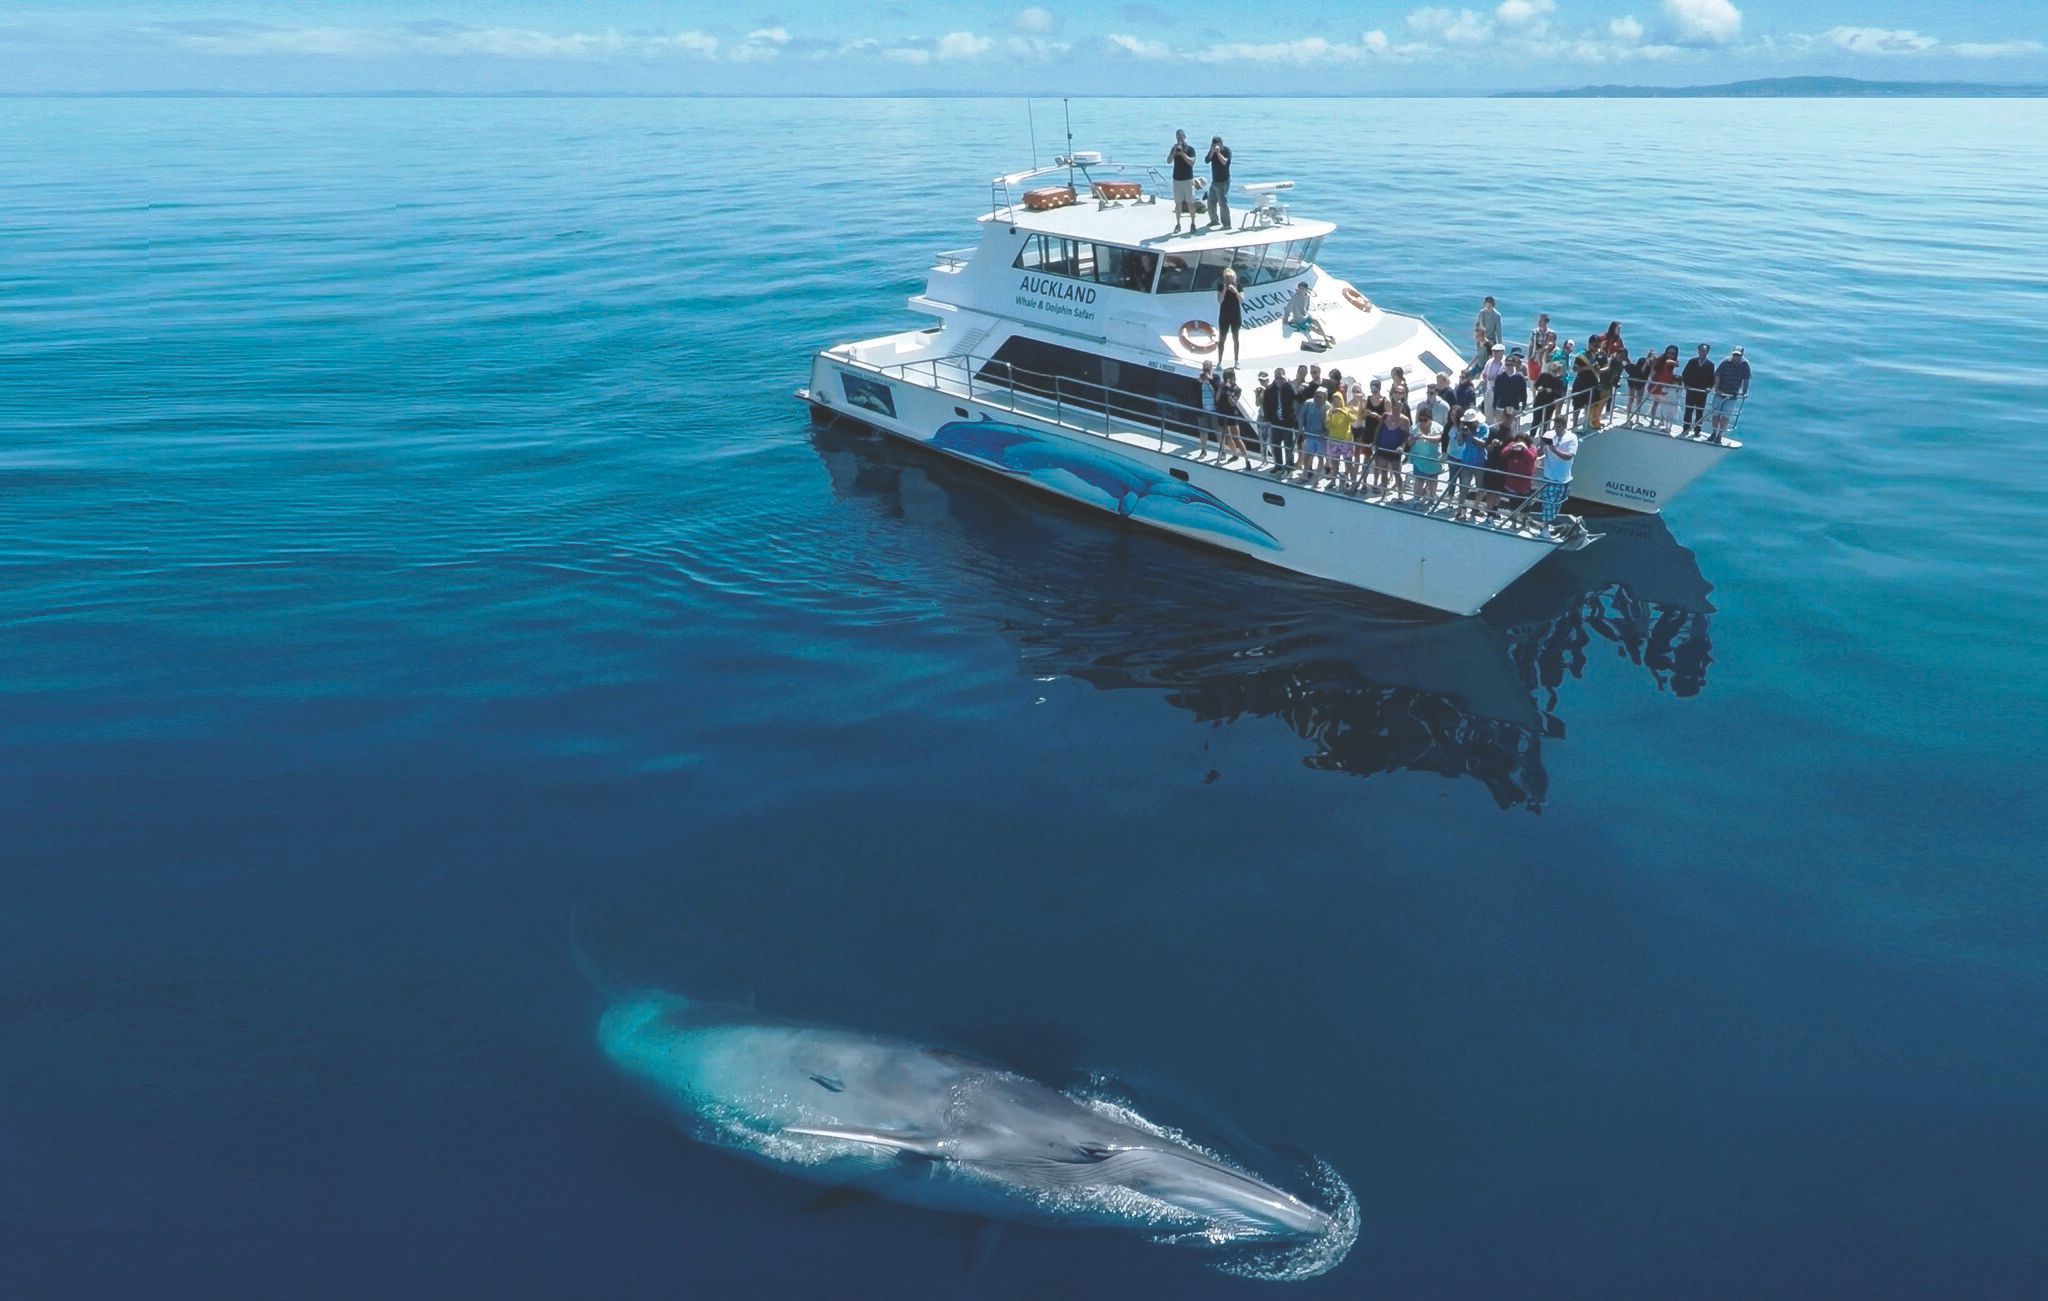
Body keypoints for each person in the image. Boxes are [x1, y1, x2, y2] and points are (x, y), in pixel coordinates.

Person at [1538, 417, 1578, 532]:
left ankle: (1547, 524)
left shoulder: (1572, 438)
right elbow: (1539, 452)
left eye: (1559, 427)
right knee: (1548, 503)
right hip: (1550, 476)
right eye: (1555, 426)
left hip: (1564, 477)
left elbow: (1569, 456)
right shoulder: (1549, 434)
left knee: (1557, 504)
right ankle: (1545, 528)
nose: (1556, 429)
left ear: (1565, 426)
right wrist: (1541, 444)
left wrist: (1554, 450)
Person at [1449, 409, 1488, 521]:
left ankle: (1476, 507)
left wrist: (1470, 435)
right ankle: (1460, 510)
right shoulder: (1464, 428)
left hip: (1480, 462)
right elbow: (1460, 443)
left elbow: (1482, 444)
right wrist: (1461, 432)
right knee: (1464, 487)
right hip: (1466, 461)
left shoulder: (1484, 428)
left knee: (1481, 487)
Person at [1259, 368, 1298, 469]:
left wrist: (1287, 384)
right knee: (1275, 445)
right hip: (1275, 422)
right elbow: (1266, 406)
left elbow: (1296, 399)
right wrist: (1268, 420)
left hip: (1287, 423)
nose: (1279, 380)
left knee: (1288, 446)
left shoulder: (1289, 388)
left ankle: (1289, 467)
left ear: (1285, 377)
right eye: (1277, 378)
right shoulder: (1269, 390)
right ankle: (1278, 465)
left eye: (1281, 378)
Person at [1408, 404, 1445, 506]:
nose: (1422, 422)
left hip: (1433, 459)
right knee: (1419, 480)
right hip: (1419, 459)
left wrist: (1425, 437)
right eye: (1421, 419)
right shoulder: (1414, 428)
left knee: (1433, 480)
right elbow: (1409, 443)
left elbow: (1439, 439)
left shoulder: (1437, 427)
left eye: (1425, 419)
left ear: (1430, 418)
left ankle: (1432, 499)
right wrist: (1413, 439)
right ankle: (1416, 500)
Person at [1711, 345, 1751, 442]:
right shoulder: (1725, 362)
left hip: (1733, 394)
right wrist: (1717, 389)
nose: (1736, 357)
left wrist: (1744, 392)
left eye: (1738, 355)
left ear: (1742, 355)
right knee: (1716, 414)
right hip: (1721, 392)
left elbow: (1746, 379)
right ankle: (1714, 432)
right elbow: (1717, 375)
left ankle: (1720, 435)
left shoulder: (1745, 365)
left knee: (1726, 416)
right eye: (1734, 355)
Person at [1372, 401, 1410, 497]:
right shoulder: (1385, 416)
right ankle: (1383, 494)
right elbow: (1378, 430)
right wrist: (1374, 443)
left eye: (1398, 407)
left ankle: (1400, 494)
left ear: (1401, 407)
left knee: (1397, 473)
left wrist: (1402, 448)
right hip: (1383, 448)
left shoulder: (1405, 420)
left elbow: (1406, 437)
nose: (1396, 409)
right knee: (1383, 472)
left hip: (1395, 450)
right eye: (1394, 407)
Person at [1499, 425, 1539, 517]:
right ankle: (1513, 521)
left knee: (1525, 505)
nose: (1519, 443)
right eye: (1518, 441)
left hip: (1525, 483)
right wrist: (1512, 447)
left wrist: (1524, 449)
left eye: (1522, 441)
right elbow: (1503, 453)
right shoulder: (1513, 445)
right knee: (1513, 503)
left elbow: (1532, 457)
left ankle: (1524, 521)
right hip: (1512, 482)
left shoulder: (1531, 448)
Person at [1680, 344, 1717, 437]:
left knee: (1699, 412)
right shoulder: (1692, 361)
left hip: (1702, 392)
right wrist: (1686, 385)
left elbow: (1712, 379)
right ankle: (1685, 428)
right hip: (1691, 391)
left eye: (1704, 351)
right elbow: (1685, 373)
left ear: (1707, 352)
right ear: (1698, 351)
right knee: (1688, 411)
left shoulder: (1710, 364)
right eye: (1701, 350)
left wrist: (1709, 387)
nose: (1702, 352)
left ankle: (1697, 430)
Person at [1321, 389, 1356, 489]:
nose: (1336, 402)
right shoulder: (1330, 412)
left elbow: (1353, 420)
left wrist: (1342, 411)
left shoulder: (1347, 410)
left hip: (1346, 441)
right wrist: (1331, 416)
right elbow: (1328, 425)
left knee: (1349, 464)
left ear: (1342, 400)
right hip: (1333, 441)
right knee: (1334, 463)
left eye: (1338, 399)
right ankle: (1333, 481)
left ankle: (1353, 483)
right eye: (1334, 400)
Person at [1167, 130, 1200, 235]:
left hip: (1188, 179)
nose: (1179, 139)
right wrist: (1174, 153)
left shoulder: (1190, 149)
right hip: (1177, 179)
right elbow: (1168, 161)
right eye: (1177, 137)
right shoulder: (1174, 149)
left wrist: (1182, 154)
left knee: (1190, 202)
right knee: (1178, 203)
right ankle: (1178, 224)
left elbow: (1192, 162)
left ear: (1184, 137)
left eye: (1181, 137)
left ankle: (1193, 223)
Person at [1281, 282, 1331, 348]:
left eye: (1302, 289)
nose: (1300, 290)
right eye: (1299, 288)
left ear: (1306, 289)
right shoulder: (1295, 297)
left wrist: (1306, 313)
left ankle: (1326, 337)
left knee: (1316, 322)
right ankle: (1326, 338)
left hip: (1305, 317)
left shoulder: (1307, 297)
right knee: (1312, 328)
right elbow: (1288, 308)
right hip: (1299, 320)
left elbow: (1306, 307)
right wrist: (1285, 321)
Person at [1218, 367, 1252, 461]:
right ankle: (1234, 454)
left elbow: (1233, 403)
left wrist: (1228, 393)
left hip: (1232, 415)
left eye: (1229, 378)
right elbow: (1217, 399)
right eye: (1226, 378)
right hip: (1223, 413)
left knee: (1237, 439)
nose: (1227, 380)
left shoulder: (1237, 389)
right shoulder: (1223, 387)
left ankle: (1246, 459)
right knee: (1227, 437)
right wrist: (1220, 389)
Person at [1297, 382, 1328, 481]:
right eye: (1316, 396)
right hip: (1309, 434)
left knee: (1320, 458)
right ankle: (1305, 474)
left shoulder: (1328, 407)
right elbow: (1301, 416)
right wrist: (1301, 427)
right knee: (1307, 455)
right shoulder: (1308, 403)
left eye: (1320, 397)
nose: (1317, 398)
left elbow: (1330, 423)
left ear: (1325, 397)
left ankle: (1317, 479)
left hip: (1321, 437)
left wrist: (1326, 433)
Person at [1215, 267, 1244, 368]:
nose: (1229, 281)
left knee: (1235, 338)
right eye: (1227, 279)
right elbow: (1220, 300)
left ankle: (1236, 361)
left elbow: (1242, 300)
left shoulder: (1239, 286)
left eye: (1231, 279)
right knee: (1222, 339)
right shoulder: (1221, 286)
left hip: (1235, 316)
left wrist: (1235, 291)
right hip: (1224, 315)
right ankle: (1219, 361)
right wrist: (1224, 290)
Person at [1204, 135, 1232, 230]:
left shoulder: (1226, 151)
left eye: (1217, 144)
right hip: (1214, 181)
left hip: (1223, 181)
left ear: (1221, 143)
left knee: (1222, 203)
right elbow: (1207, 160)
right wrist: (1212, 152)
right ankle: (1214, 220)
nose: (1216, 146)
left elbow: (1225, 162)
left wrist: (1218, 153)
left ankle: (1227, 224)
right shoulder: (1213, 151)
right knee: (1211, 201)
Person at [1493, 355, 1528, 430]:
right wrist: (1494, 408)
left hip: (1514, 407)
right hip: (1501, 407)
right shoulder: (1499, 377)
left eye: (1510, 364)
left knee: (1512, 430)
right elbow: (1496, 393)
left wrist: (1524, 407)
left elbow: (1524, 394)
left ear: (1515, 364)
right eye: (1506, 364)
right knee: (1499, 429)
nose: (1508, 366)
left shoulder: (1520, 378)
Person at [1647, 345, 1679, 427]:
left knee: (1664, 405)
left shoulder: (1673, 361)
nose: (1670, 355)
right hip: (1657, 384)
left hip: (1666, 385)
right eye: (1669, 353)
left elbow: (1676, 364)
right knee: (1655, 403)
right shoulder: (1661, 359)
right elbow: (1653, 370)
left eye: (1673, 353)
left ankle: (1661, 421)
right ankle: (1652, 420)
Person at [1593, 347, 1625, 431]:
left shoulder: (1620, 366)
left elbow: (1617, 376)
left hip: (1609, 386)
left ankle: (1597, 420)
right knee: (1597, 404)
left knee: (1602, 404)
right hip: (1601, 384)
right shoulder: (1609, 361)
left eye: (1622, 357)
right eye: (1620, 356)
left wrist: (1616, 383)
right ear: (1616, 354)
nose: (1621, 358)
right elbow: (1600, 371)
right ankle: (1594, 421)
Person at [1195, 359, 1221, 456]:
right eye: (1204, 369)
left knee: (1218, 431)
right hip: (1203, 409)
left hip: (1214, 409)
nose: (1205, 371)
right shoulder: (1200, 378)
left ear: (1211, 368)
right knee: (1203, 431)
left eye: (1207, 369)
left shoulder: (1216, 377)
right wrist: (1200, 381)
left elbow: (1218, 388)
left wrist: (1209, 379)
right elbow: (1194, 391)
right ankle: (1203, 450)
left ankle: (1222, 451)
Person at [1532, 361, 1567, 431]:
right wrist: (1538, 388)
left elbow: (1560, 395)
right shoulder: (1544, 375)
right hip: (1539, 401)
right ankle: (1532, 436)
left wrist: (1552, 391)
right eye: (1553, 370)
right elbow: (1536, 385)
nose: (1554, 372)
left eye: (1556, 370)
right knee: (1535, 421)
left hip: (1549, 404)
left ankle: (1542, 437)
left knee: (1545, 422)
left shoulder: (1559, 381)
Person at [1622, 348, 1654, 424]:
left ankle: (1635, 418)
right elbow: (1641, 372)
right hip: (1635, 381)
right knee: (1632, 399)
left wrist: (1650, 365)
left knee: (1636, 400)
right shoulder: (1643, 361)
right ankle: (1629, 418)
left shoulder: (1649, 365)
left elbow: (1651, 375)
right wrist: (1646, 364)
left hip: (1637, 381)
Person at [1527, 314, 1556, 380]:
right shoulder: (1534, 332)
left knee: (1542, 381)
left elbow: (1553, 347)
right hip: (1534, 359)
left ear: (1546, 322)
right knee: (1533, 380)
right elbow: (1531, 345)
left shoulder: (1552, 333)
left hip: (1545, 361)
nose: (1539, 322)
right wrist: (1529, 358)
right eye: (1539, 321)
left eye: (1541, 321)